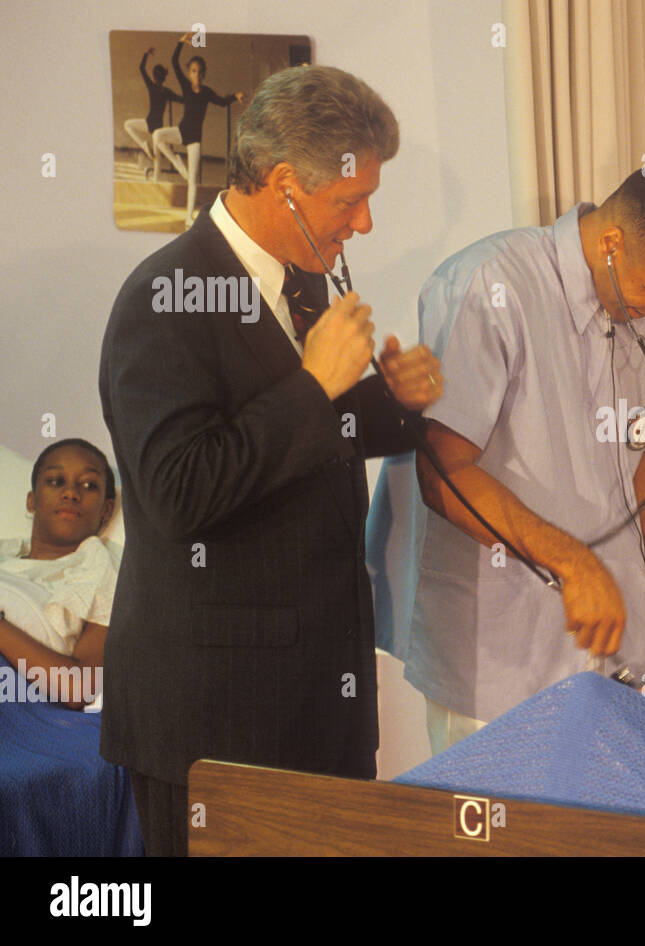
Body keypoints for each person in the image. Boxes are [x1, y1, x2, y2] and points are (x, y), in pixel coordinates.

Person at [99, 64, 440, 856]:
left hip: (317, 701)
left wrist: (391, 405)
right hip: (215, 718)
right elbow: (180, 492)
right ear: (284, 183)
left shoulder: (301, 284)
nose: (363, 225)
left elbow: (308, 448)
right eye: (349, 202)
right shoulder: (165, 296)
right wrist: (316, 384)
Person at [385, 164, 645, 753]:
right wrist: (574, 564)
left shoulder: (637, 307)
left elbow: (629, 455)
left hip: (605, 663)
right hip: (499, 668)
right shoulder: (489, 285)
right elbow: (442, 472)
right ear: (610, 243)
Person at [0, 440, 117, 710]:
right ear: (32, 500)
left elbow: (78, 688)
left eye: (88, 485)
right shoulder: (7, 557)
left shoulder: (104, 576)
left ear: (107, 510)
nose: (71, 493)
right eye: (55, 481)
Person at [152, 33, 246, 227]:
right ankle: (177, 162)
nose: (197, 75)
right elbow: (174, 61)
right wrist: (180, 42)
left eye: (200, 72)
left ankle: (188, 218)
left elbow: (221, 102)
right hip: (180, 131)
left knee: (192, 181)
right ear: (190, 73)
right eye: (194, 71)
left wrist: (234, 96)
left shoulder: (207, 92)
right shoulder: (186, 86)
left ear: (204, 74)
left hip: (194, 139)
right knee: (157, 136)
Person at [122, 48, 180, 173]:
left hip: (148, 123)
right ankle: (156, 180)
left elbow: (142, 69)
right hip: (158, 127)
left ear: (154, 77)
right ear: (164, 77)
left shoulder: (152, 87)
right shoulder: (167, 92)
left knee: (127, 125)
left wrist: (146, 54)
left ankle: (143, 144)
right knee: (157, 159)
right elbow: (182, 100)